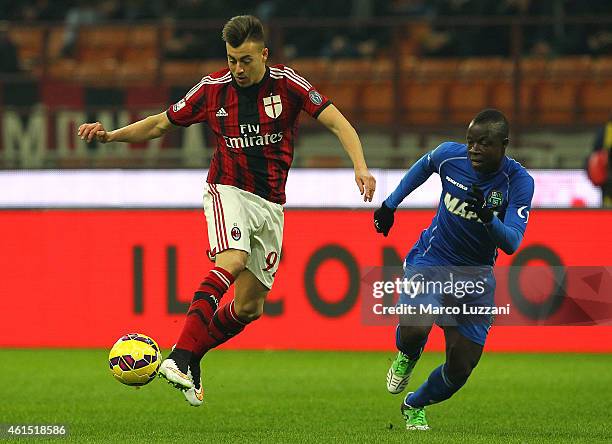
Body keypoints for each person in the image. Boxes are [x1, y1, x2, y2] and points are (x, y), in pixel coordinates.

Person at [78, 15, 376, 407]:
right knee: (232, 258)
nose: (238, 68)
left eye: (246, 60)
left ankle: (194, 358)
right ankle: (180, 356)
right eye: (233, 59)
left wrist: (360, 166)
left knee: (250, 307)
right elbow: (159, 125)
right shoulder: (212, 90)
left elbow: (339, 123)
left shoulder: (289, 85)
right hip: (227, 188)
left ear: (264, 55)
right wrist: (111, 136)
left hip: (271, 203)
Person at [373, 109, 534, 430]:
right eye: (471, 141)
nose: (474, 149)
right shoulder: (450, 157)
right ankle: (408, 353)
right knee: (416, 328)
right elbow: (424, 165)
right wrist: (390, 204)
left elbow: (513, 242)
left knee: (461, 367)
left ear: (504, 145)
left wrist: (489, 219)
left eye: (484, 143)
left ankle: (414, 404)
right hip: (432, 260)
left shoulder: (518, 182)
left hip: (475, 278)